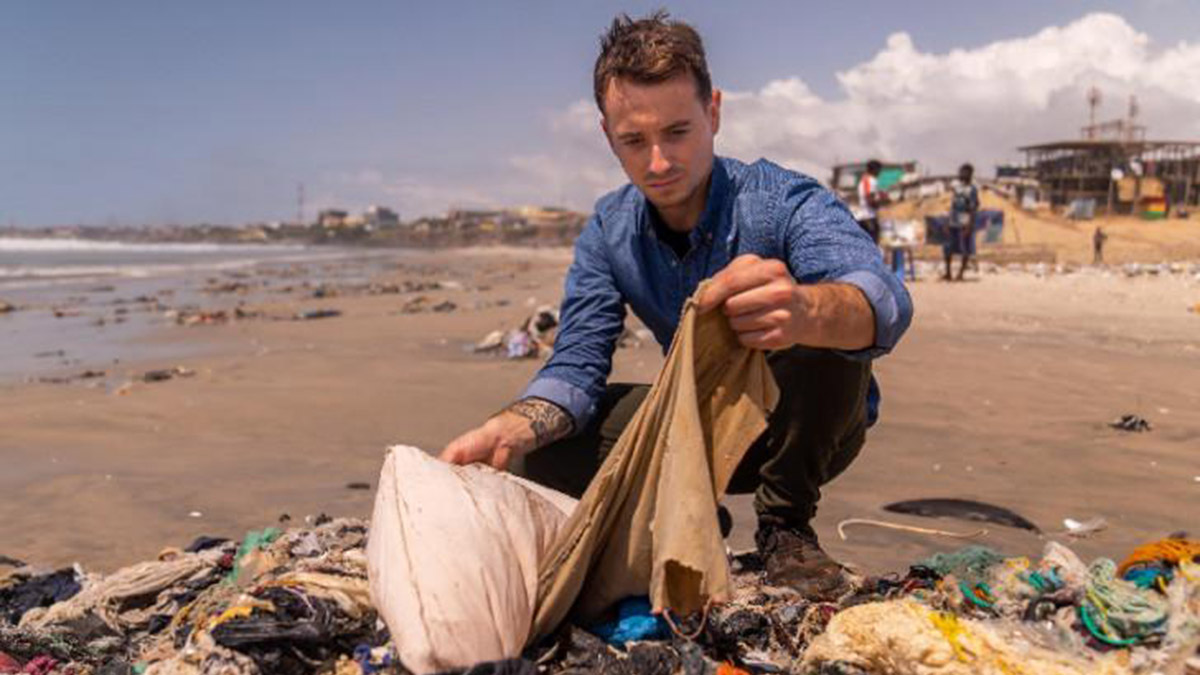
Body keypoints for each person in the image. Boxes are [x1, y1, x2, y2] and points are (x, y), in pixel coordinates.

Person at [439, 11, 913, 598]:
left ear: (713, 113)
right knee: (539, 452)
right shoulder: (610, 230)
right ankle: (690, 519)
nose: (658, 162)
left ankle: (785, 528)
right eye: (634, 141)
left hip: (803, 433)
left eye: (677, 132)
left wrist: (805, 309)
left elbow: (884, 298)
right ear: (608, 135)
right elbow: (578, 364)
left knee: (822, 335)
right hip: (693, 432)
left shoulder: (779, 200)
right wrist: (515, 425)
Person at [945, 163, 979, 281]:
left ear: (969, 174)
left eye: (964, 172)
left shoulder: (972, 190)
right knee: (948, 247)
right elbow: (952, 205)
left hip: (964, 221)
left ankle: (960, 274)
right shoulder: (956, 188)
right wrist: (948, 221)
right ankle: (948, 273)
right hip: (953, 220)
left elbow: (973, 208)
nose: (961, 174)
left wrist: (969, 225)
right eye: (960, 171)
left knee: (965, 248)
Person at [856, 160, 886, 244]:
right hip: (868, 218)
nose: (880, 173)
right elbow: (870, 200)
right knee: (872, 246)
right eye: (879, 170)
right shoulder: (871, 180)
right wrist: (881, 201)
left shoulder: (863, 180)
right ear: (875, 170)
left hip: (864, 217)